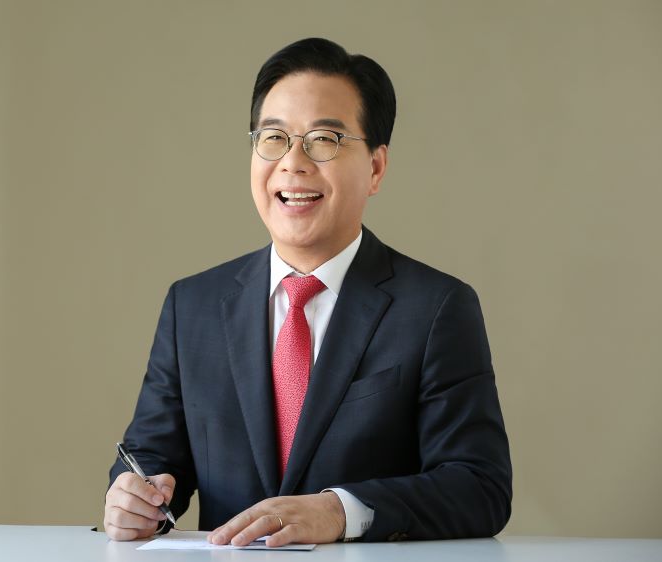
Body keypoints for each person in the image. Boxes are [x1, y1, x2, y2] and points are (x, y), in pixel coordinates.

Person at [104, 37, 511, 546]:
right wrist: (135, 500)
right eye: (274, 138)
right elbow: (152, 458)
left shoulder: (435, 308)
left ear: (376, 168)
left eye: (324, 139)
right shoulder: (193, 306)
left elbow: (479, 486)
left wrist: (341, 512)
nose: (293, 163)